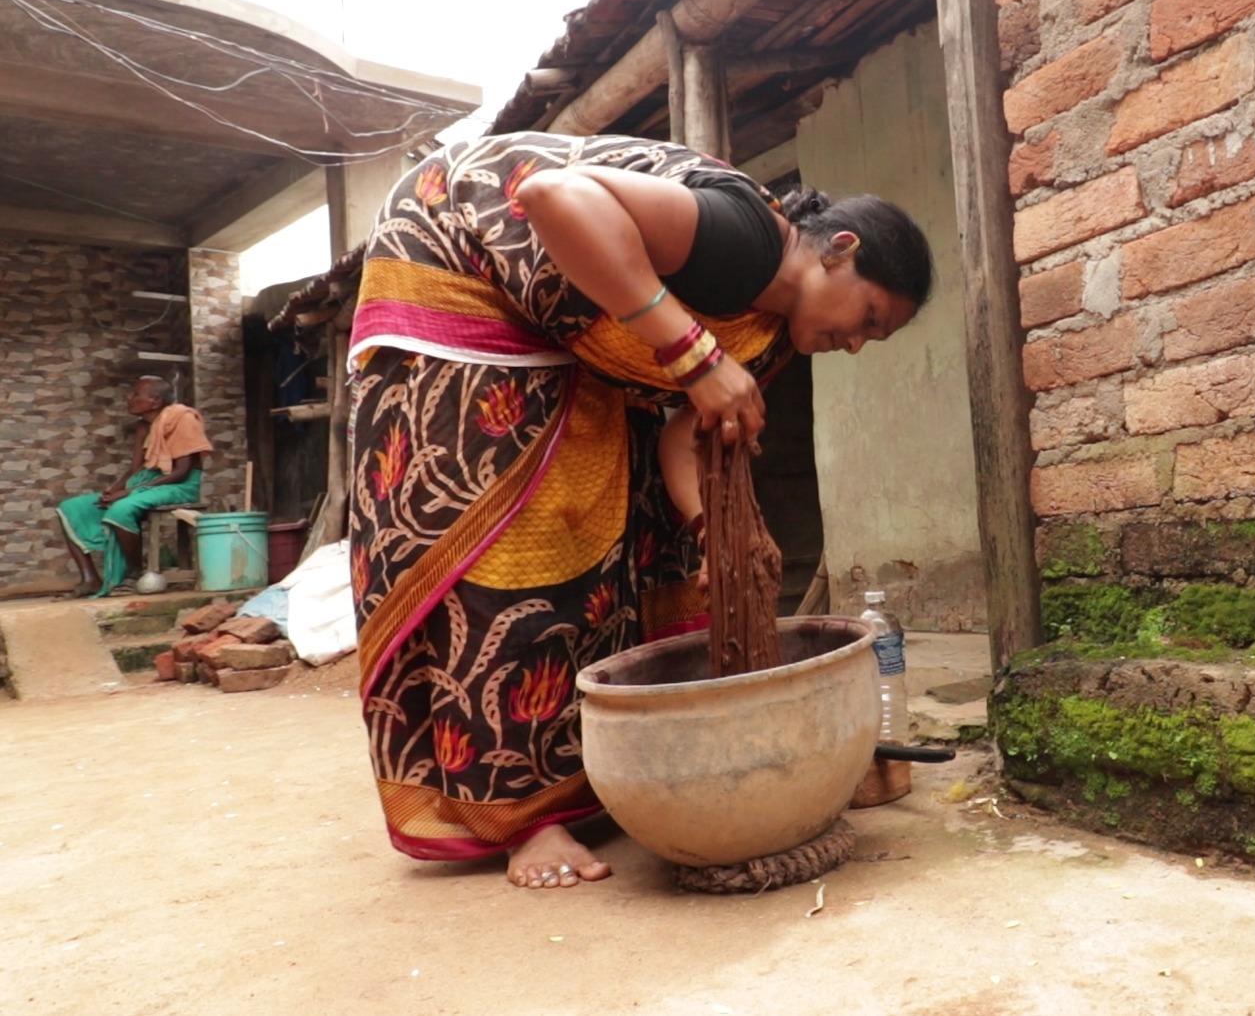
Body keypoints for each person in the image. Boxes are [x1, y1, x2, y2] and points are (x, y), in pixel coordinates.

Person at [347, 132, 932, 890]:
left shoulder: (765, 338)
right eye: (869, 316)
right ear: (838, 249)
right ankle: (522, 820)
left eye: (870, 339)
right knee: (519, 545)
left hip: (560, 336)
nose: (855, 343)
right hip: (457, 269)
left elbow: (686, 439)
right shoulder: (748, 241)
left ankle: (595, 778)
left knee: (639, 541)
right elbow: (556, 196)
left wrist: (711, 539)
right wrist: (693, 354)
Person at [55, 376, 211, 597]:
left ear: (155, 401)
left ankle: (134, 573)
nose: (129, 398)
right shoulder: (142, 426)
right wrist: (115, 489)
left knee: (122, 509)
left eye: (135, 394)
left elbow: (180, 472)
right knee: (71, 507)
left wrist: (128, 492)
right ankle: (90, 579)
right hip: (143, 483)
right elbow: (134, 470)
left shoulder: (183, 419)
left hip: (178, 485)